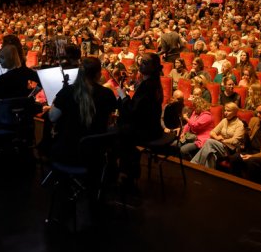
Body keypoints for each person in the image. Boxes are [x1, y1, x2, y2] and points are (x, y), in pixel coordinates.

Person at [49, 57, 118, 165]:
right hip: (95, 154)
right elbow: (109, 121)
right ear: (98, 75)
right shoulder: (107, 94)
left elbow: (52, 117)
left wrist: (55, 101)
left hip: (68, 153)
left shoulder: (67, 91)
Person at [115, 52, 165, 184]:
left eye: (145, 63)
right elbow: (139, 109)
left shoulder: (147, 85)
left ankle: (126, 173)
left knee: (119, 132)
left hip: (147, 131)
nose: (140, 65)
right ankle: (128, 168)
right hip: (152, 127)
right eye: (140, 62)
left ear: (153, 67)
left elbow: (133, 111)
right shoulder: (153, 82)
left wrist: (123, 96)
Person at [190, 102, 247, 169]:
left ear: (235, 112)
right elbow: (212, 132)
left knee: (209, 141)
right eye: (225, 110)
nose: (225, 112)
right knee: (211, 155)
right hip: (219, 145)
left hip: (230, 150)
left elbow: (235, 141)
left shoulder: (240, 124)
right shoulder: (224, 120)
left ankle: (194, 164)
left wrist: (221, 140)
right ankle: (208, 174)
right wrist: (217, 137)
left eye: (228, 111)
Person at [176, 95, 216, 160]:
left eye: (194, 106)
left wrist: (186, 118)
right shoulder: (195, 113)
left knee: (183, 150)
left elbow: (195, 125)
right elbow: (188, 125)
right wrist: (183, 133)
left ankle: (192, 165)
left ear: (200, 106)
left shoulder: (207, 116)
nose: (193, 108)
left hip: (200, 139)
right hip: (191, 136)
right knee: (175, 145)